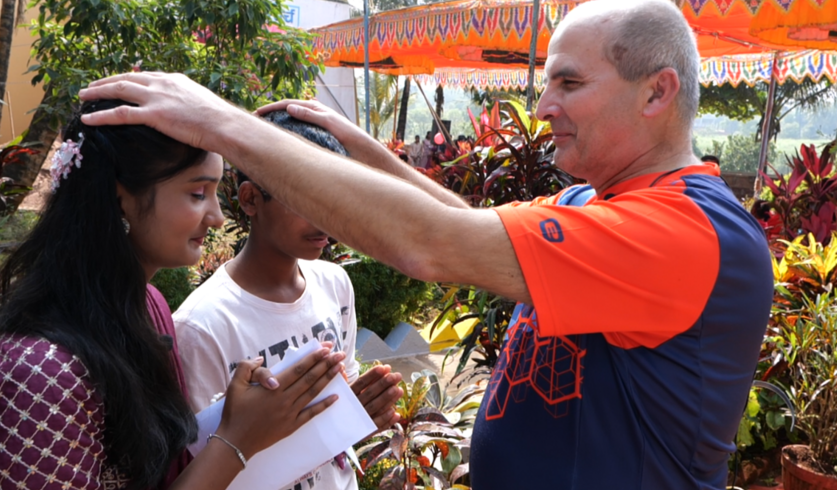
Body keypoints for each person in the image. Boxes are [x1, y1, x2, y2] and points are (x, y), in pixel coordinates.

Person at [77, 0, 773, 487]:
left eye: (569, 83)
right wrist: (357, 144)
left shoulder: (681, 234)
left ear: (657, 94)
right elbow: (466, 222)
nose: (543, 107)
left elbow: (433, 245)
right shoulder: (598, 202)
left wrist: (219, 125)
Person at [0, 99, 353, 490]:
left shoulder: (149, 306)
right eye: (198, 193)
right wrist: (237, 439)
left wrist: (269, 417)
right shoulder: (38, 374)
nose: (217, 216)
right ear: (120, 201)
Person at [173, 110, 403, 490]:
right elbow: (206, 468)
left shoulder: (335, 285)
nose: (327, 219)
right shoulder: (202, 327)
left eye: (336, 199)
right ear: (250, 199)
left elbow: (334, 437)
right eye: (307, 199)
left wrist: (358, 416)